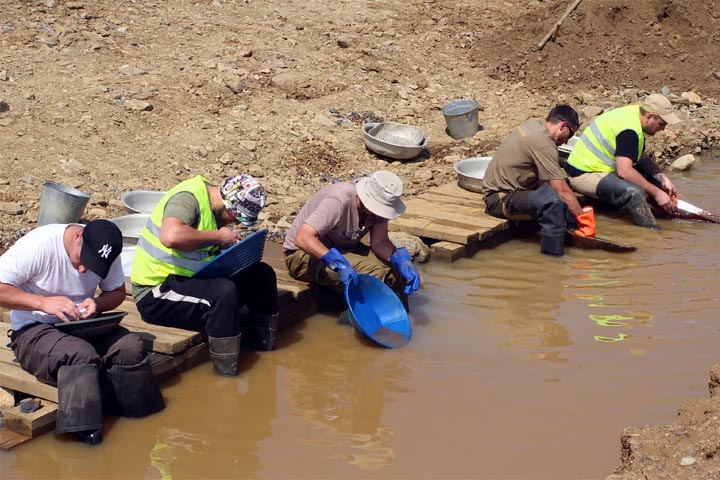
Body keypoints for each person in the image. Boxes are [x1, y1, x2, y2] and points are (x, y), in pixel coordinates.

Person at [0, 220, 165, 446]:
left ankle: (143, 424)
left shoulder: (108, 248)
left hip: (82, 324)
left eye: (92, 265)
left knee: (130, 347)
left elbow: (116, 292)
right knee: (80, 355)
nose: (83, 269)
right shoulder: (39, 245)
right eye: (83, 260)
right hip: (34, 329)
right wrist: (44, 303)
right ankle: (84, 439)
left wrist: (98, 303)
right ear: (78, 236)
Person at [130, 174, 277, 377]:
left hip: (192, 279)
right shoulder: (187, 199)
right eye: (236, 217)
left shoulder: (215, 207)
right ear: (228, 202)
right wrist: (218, 237)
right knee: (223, 293)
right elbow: (170, 236)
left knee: (263, 275)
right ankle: (226, 375)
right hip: (157, 292)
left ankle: (265, 354)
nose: (236, 222)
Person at [282, 170, 421, 309]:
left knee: (395, 272)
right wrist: (337, 263)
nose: (380, 214)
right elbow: (303, 238)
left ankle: (398, 318)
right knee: (373, 272)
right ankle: (355, 321)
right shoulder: (338, 200)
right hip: (303, 254)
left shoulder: (382, 202)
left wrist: (401, 260)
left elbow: (380, 242)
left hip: (343, 247)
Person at [481, 105, 593, 256]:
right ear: (563, 126)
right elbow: (562, 192)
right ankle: (552, 258)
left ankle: (569, 231)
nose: (566, 142)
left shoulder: (535, 124)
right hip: (500, 198)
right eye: (570, 135)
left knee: (563, 186)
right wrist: (584, 218)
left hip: (516, 187)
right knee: (552, 202)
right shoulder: (544, 144)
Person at [563, 93, 682, 229]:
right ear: (649, 116)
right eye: (661, 124)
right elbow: (625, 172)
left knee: (654, 184)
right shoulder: (630, 131)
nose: (663, 129)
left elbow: (639, 156)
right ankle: (652, 233)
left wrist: (662, 179)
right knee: (635, 193)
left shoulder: (636, 114)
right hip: (582, 173)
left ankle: (665, 212)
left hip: (602, 167)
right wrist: (658, 194)